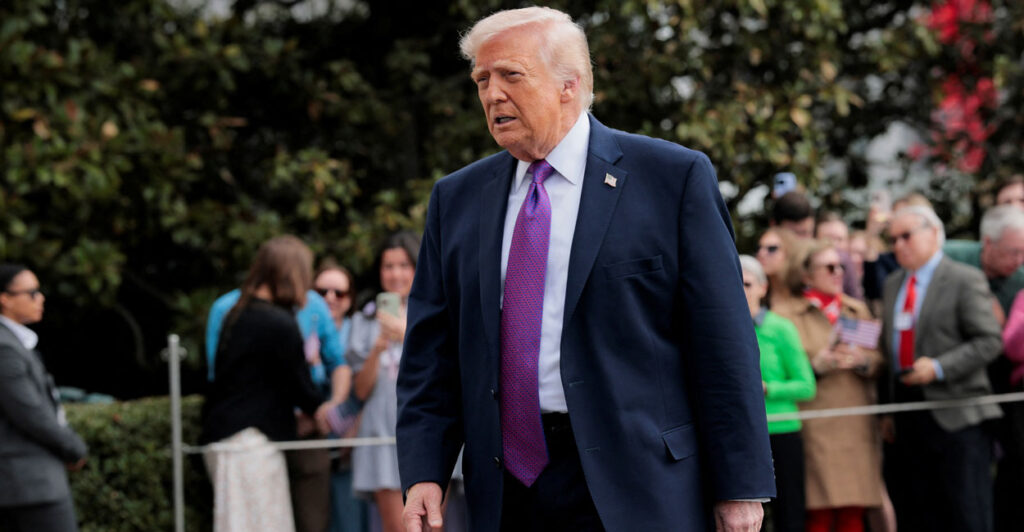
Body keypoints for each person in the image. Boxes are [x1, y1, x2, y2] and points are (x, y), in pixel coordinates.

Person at [396, 7, 774, 532]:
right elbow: (429, 355)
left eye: (510, 75)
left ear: (569, 85)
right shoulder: (456, 198)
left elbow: (723, 342)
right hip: (507, 491)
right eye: (482, 79)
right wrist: (423, 472)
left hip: (641, 483)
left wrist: (740, 487)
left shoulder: (673, 178)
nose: (491, 94)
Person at [878, 206, 1002, 532]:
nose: (899, 245)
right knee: (917, 513)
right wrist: (887, 409)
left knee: (966, 514)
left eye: (907, 236)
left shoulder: (964, 278)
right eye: (893, 239)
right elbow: (890, 349)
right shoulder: (893, 283)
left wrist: (940, 367)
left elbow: (989, 341)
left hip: (957, 415)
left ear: (934, 232)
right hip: (908, 415)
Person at [206, 259, 353, 532]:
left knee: (306, 521)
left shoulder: (311, 307)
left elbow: (337, 363)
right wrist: (313, 406)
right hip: (258, 433)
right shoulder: (231, 309)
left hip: (305, 430)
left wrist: (326, 410)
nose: (324, 297)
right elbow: (220, 376)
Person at [771, 242, 884, 532]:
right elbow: (781, 368)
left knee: (853, 511)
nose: (838, 273)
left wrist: (862, 361)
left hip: (855, 423)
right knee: (817, 513)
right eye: (829, 267)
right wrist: (816, 366)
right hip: (815, 424)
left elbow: (879, 360)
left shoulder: (856, 309)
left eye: (841, 267)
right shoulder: (786, 315)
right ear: (807, 275)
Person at [0, 264, 88, 532]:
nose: (41, 298)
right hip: (28, 484)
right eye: (32, 292)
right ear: (4, 298)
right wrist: (73, 447)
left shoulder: (14, 342)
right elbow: (30, 412)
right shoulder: (4, 347)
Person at [348, 232, 420, 532]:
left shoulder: (434, 312)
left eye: (403, 265)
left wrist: (406, 334)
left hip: (424, 427)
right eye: (388, 266)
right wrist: (377, 346)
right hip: (382, 434)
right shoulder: (363, 321)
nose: (395, 274)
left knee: (431, 525)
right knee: (396, 527)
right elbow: (361, 391)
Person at [739, 256, 815, 532]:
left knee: (789, 513)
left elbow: (806, 385)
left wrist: (768, 388)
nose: (741, 289)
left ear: (763, 287)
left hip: (781, 431)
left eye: (747, 283)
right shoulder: (719, 331)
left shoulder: (781, 328)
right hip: (740, 434)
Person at [315, 262, 371, 532]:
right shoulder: (300, 332)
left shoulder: (359, 331)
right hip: (311, 443)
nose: (330, 298)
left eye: (339, 293)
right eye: (321, 291)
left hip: (354, 443)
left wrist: (357, 427)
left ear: (350, 299)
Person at [756, 227, 804, 309]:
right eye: (759, 248)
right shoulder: (755, 296)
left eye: (772, 249)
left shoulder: (807, 293)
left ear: (790, 252)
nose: (761, 253)